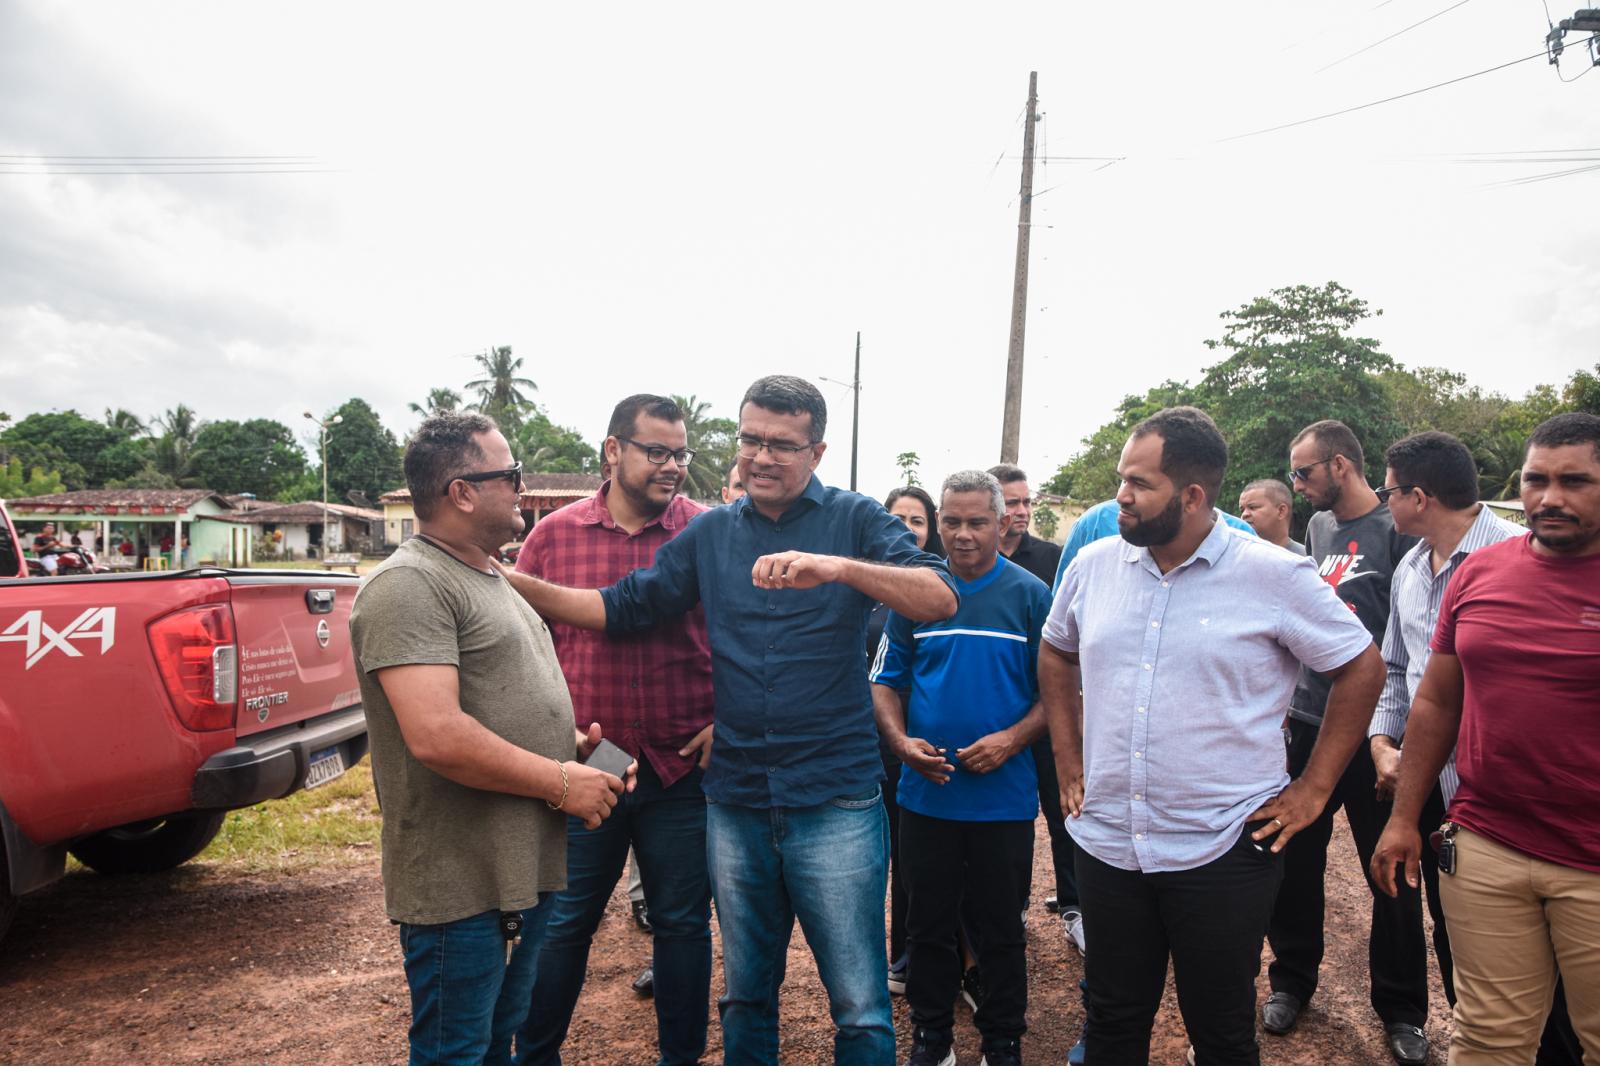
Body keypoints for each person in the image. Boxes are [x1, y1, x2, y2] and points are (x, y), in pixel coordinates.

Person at [502, 374, 958, 1066]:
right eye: (750, 439)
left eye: (782, 443)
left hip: (834, 797)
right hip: (737, 800)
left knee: (861, 1009)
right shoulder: (711, 534)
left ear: (818, 450)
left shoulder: (856, 519)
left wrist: (834, 569)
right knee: (745, 997)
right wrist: (501, 581)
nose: (760, 456)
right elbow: (621, 607)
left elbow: (939, 596)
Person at [1041, 406, 1382, 1066]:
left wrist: (1313, 790)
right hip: (1110, 841)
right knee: (1112, 1020)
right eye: (1121, 478)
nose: (1121, 496)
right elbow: (1057, 650)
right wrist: (1067, 755)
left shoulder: (1273, 575)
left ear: (1192, 496)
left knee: (1221, 1030)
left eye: (1139, 483)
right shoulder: (1094, 565)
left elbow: (1359, 665)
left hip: (1222, 848)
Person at [349, 412, 629, 1066]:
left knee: (497, 1046)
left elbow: (497, 706)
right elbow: (438, 736)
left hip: (518, 871)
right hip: (461, 886)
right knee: (458, 1053)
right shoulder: (408, 585)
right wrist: (562, 782)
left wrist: (576, 755)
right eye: (511, 476)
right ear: (462, 492)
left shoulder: (490, 576)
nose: (522, 488)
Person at [1371, 412, 1600, 1065]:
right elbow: (1437, 699)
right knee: (1488, 1038)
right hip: (1488, 846)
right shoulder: (1481, 573)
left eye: (1575, 481)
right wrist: (1406, 817)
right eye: (1536, 480)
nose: (1550, 498)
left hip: (1593, 860)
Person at [513, 395, 716, 1066]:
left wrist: (727, 718)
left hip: (681, 764)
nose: (672, 466)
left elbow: (746, 639)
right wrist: (552, 736)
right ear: (613, 451)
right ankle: (535, 1054)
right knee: (563, 926)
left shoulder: (706, 534)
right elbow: (520, 651)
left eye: (680, 453)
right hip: (587, 765)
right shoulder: (554, 537)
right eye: (656, 451)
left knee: (682, 927)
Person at [872, 470, 1051, 1066]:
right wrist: (899, 743)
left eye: (977, 522)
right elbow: (885, 684)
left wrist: (1010, 739)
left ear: (1003, 524)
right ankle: (932, 1035)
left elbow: (1058, 694)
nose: (963, 534)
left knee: (1000, 926)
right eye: (951, 521)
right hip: (927, 797)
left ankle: (1002, 1039)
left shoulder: (1029, 595)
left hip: (1003, 799)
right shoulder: (915, 593)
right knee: (927, 924)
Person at [1267, 419, 1429, 1066]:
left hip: (1376, 734)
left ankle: (1402, 1010)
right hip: (1310, 721)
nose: (1297, 484)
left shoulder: (1397, 532)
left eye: (1304, 472)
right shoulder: (1318, 530)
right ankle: (1291, 981)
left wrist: (1397, 736)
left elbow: (1411, 639)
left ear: (1341, 465)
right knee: (1293, 858)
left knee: (1390, 870)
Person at [987, 464, 1076, 940]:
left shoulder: (1052, 558)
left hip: (1048, 708)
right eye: (1012, 502)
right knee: (1009, 825)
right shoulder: (962, 559)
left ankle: (1074, 905)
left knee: (1062, 810)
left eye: (1026, 502)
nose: (1021, 511)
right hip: (997, 713)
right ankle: (1011, 904)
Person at [870, 485, 944, 998]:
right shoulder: (861, 589)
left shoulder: (936, 590)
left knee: (920, 860)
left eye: (918, 520)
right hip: (867, 743)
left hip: (919, 742)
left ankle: (924, 955)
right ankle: (894, 955)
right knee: (883, 856)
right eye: (898, 519)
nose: (909, 528)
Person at [1237, 479, 1305, 554]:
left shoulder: (1307, 560)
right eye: (1242, 510)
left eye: (1253, 507)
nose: (1244, 514)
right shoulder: (1237, 556)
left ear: (1281, 511)